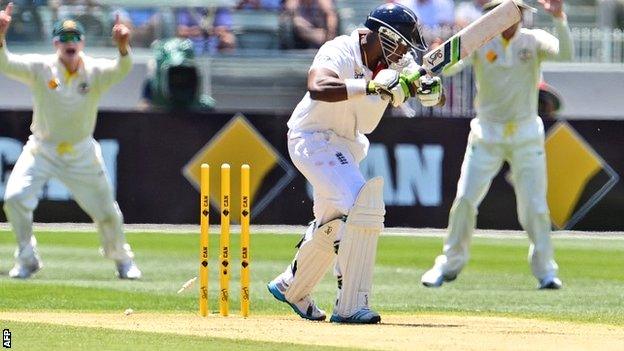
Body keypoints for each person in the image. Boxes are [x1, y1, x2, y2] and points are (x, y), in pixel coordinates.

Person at [267, 3, 444, 324]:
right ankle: (350, 304)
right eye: (402, 42)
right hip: (313, 137)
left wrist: (430, 91)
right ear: (386, 36)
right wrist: (372, 86)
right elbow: (318, 87)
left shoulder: (398, 63)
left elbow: (423, 87)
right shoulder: (340, 49)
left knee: (332, 222)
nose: (405, 52)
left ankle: (291, 285)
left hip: (347, 146)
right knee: (361, 207)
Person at [420, 0, 572, 290]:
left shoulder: (533, 40)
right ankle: (448, 265)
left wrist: (560, 19)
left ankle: (545, 272)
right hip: (486, 133)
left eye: (512, 11)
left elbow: (565, 54)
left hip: (526, 135)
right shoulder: (480, 40)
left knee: (535, 207)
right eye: (497, 11)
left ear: (520, 13)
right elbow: (451, 69)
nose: (505, 17)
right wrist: (439, 54)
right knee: (465, 200)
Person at [0, 3, 142, 280]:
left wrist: (123, 47)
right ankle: (27, 259)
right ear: (55, 43)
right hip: (42, 149)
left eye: (75, 38)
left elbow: (121, 68)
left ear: (82, 43)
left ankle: (122, 260)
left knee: (107, 212)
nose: (69, 43)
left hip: (81, 152)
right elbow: (5, 62)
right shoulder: (41, 68)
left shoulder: (95, 72)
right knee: (14, 198)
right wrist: (1, 36)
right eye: (64, 39)